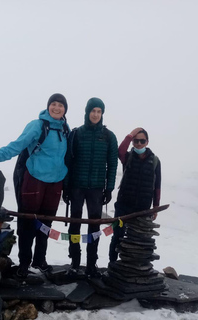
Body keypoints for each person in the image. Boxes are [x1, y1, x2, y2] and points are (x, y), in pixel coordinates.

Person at [0, 93, 70, 278]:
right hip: (34, 178)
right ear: (48, 106)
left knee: (46, 224)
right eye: (54, 104)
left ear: (65, 109)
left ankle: (40, 260)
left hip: (55, 182)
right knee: (28, 222)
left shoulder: (65, 129)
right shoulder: (37, 125)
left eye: (61, 105)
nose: (57, 108)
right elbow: (16, 146)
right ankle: (24, 263)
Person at [63, 97, 118, 277]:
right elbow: (68, 162)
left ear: (102, 114)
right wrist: (66, 187)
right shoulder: (76, 134)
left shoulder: (109, 136)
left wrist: (109, 188)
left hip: (96, 188)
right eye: (93, 111)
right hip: (76, 186)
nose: (95, 114)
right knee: (75, 225)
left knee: (94, 226)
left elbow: (112, 164)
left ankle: (91, 264)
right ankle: (75, 261)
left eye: (99, 111)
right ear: (87, 112)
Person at [108, 127, 161, 263]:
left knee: (139, 239)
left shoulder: (155, 161)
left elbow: (157, 186)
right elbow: (119, 151)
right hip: (123, 205)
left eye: (142, 141)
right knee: (117, 236)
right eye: (135, 141)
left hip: (143, 208)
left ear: (147, 142)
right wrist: (130, 135)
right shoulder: (128, 157)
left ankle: (132, 268)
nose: (138, 144)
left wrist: (155, 206)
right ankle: (112, 266)